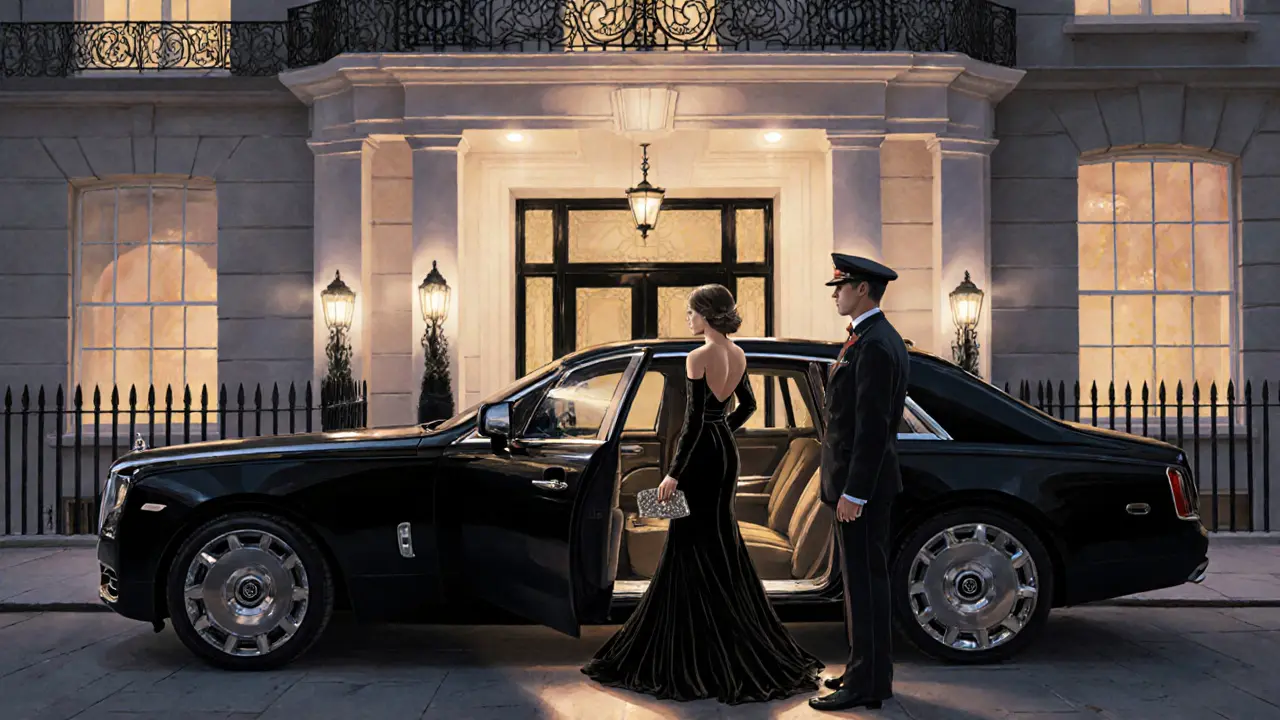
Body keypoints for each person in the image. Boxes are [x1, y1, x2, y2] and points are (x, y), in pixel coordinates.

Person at [582, 283, 823, 705]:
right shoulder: (738, 354)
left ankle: (692, 651)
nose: (688, 319)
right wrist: (722, 432)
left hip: (700, 456)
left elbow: (693, 422)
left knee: (690, 545)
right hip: (724, 456)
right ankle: (724, 636)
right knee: (716, 541)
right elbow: (745, 405)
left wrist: (673, 473)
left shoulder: (698, 356)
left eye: (692, 312)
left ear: (707, 314)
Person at [809, 253, 909, 713]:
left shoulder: (875, 344)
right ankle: (861, 670)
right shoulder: (867, 338)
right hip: (855, 487)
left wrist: (855, 493)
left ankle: (867, 687)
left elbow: (873, 427)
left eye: (841, 286)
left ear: (863, 289)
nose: (836, 293)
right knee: (858, 586)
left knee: (867, 587)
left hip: (861, 491)